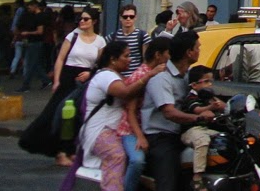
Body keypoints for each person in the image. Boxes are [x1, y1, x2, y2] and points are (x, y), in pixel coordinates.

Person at [142, 30, 221, 191]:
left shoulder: (188, 77)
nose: (199, 51)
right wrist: (198, 118)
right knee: (169, 184)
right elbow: (169, 113)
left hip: (181, 132)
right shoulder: (161, 78)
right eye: (197, 48)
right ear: (189, 52)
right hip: (160, 137)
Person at [42, 6, 108, 165]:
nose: (82, 22)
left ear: (94, 22)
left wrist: (90, 74)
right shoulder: (72, 36)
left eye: (86, 19)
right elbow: (60, 59)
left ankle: (71, 150)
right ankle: (60, 151)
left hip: (85, 80)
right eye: (80, 19)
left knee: (79, 115)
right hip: (68, 77)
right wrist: (56, 80)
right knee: (63, 114)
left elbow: (100, 64)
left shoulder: (100, 41)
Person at [78, 39, 138, 191]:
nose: (130, 59)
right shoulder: (106, 77)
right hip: (101, 130)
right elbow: (126, 93)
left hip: (113, 129)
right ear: (113, 59)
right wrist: (149, 75)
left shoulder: (115, 76)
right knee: (116, 155)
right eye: (126, 56)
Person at [118, 35, 171, 191]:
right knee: (137, 161)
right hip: (130, 128)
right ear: (158, 55)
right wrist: (139, 136)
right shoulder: (142, 75)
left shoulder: (159, 73)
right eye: (168, 53)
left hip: (148, 126)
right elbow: (131, 110)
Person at [178, 64, 220, 182]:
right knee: (202, 141)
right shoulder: (191, 98)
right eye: (206, 81)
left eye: (211, 81)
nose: (210, 85)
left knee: (222, 139)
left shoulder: (207, 98)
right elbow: (197, 110)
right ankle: (198, 176)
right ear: (194, 85)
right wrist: (211, 107)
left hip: (204, 129)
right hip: (191, 131)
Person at [13, 0, 50, 91]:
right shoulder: (36, 16)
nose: (29, 9)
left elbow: (40, 31)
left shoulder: (39, 17)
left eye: (30, 7)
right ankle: (46, 80)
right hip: (33, 42)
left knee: (29, 64)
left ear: (35, 6)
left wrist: (27, 33)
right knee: (34, 64)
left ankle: (26, 85)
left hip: (36, 43)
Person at [109, 4, 150, 74]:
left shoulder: (142, 36)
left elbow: (146, 60)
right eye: (125, 17)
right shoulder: (113, 36)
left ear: (135, 18)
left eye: (131, 16)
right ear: (120, 18)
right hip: (117, 77)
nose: (128, 19)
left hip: (136, 77)